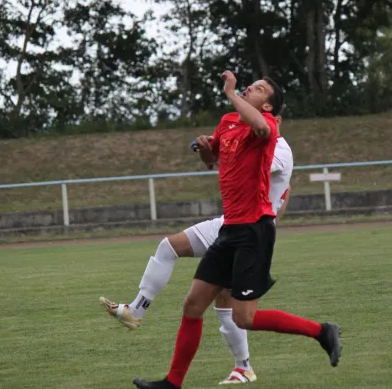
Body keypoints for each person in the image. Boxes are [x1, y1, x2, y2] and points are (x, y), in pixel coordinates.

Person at [131, 71, 341, 389]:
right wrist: (205, 147)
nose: (248, 88)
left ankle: (322, 331)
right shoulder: (232, 124)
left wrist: (232, 94)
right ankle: (172, 383)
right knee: (192, 305)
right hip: (229, 227)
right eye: (249, 85)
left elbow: (259, 131)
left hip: (253, 232)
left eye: (258, 89)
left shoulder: (267, 129)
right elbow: (213, 158)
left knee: (244, 317)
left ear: (269, 107)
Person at [100, 108, 293, 384]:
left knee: (227, 304)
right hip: (232, 223)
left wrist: (224, 149)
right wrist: (209, 149)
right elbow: (217, 162)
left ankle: (249, 364)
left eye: (265, 114)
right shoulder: (247, 138)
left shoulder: (280, 150)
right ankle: (242, 367)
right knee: (183, 262)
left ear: (278, 120)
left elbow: (255, 169)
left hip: (246, 229)